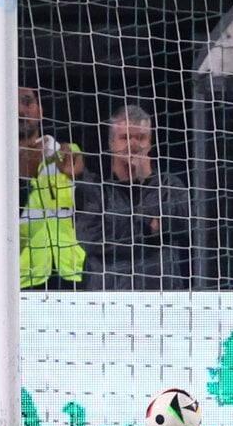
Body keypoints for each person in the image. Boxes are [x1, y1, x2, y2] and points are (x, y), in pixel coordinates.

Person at [0, 82, 88, 290]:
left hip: (74, 272)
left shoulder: (66, 154)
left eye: (27, 102)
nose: (21, 111)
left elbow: (85, 187)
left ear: (40, 110)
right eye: (12, 105)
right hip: (20, 276)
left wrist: (75, 169)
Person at [76, 104, 191, 290]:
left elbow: (181, 224)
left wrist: (117, 228)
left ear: (150, 143)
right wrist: (148, 229)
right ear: (111, 143)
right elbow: (91, 240)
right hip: (106, 298)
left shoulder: (170, 186)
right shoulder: (95, 190)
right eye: (125, 137)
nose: (133, 144)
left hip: (160, 298)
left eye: (140, 138)